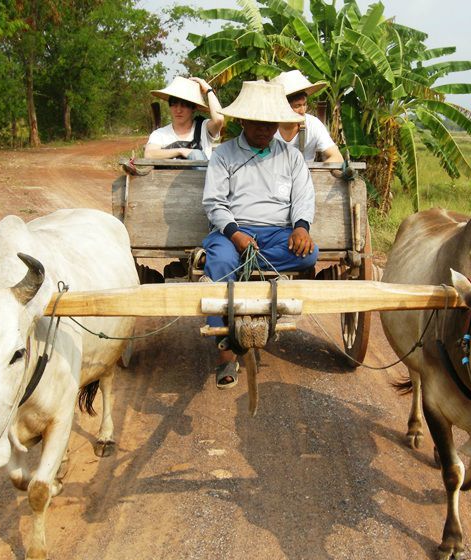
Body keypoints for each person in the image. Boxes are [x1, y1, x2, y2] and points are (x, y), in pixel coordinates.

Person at [202, 80, 319, 389]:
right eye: (258, 123)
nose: (266, 130)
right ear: (243, 121)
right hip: (232, 232)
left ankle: (261, 281)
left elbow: (303, 196)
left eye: (271, 124)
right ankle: (226, 352)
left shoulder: (291, 157)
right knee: (219, 263)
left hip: (275, 236)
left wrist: (301, 227)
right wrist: (235, 234)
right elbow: (214, 202)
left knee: (311, 253)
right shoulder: (224, 154)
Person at [269, 70, 344, 163]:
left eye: (304, 104)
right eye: (297, 106)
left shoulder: (313, 124)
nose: (302, 111)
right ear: (282, 106)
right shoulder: (267, 125)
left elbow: (337, 157)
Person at [144, 76, 224, 160]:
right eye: (174, 104)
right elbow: (149, 154)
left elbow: (219, 119)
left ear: (193, 108)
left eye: (184, 105)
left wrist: (209, 90)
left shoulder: (203, 128)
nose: (178, 110)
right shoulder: (160, 134)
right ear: (170, 106)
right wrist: (181, 151)